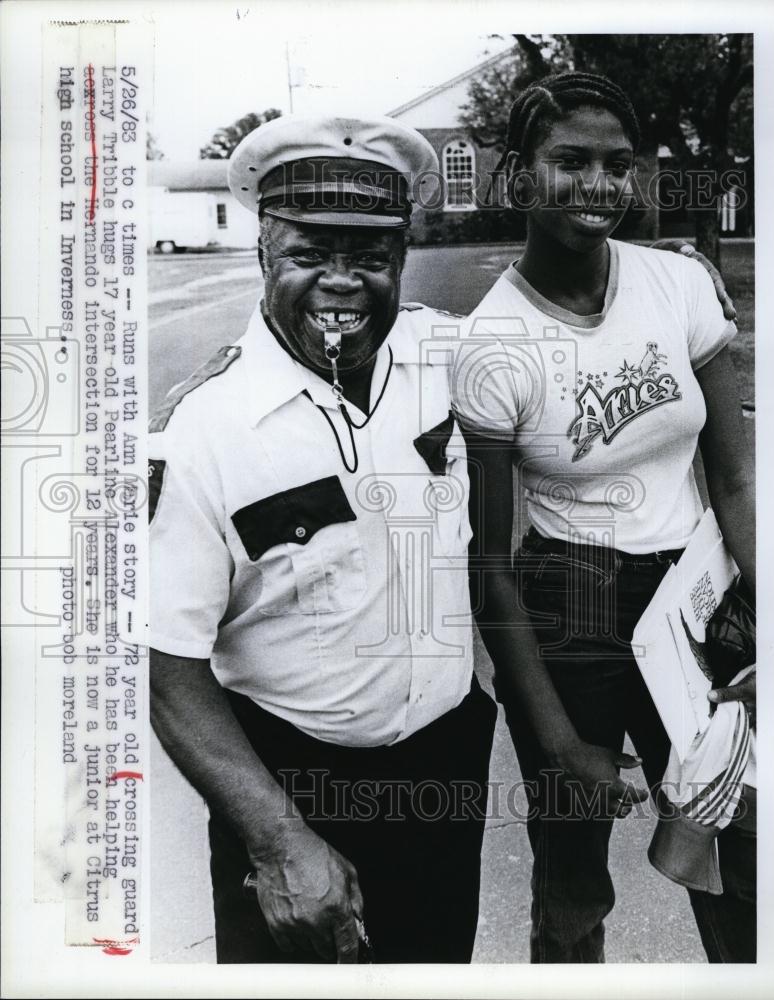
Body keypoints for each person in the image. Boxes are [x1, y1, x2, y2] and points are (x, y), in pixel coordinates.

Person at [147, 114, 497, 964]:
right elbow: (165, 663)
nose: (342, 283)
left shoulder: (441, 350)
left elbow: (570, 342)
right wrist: (276, 842)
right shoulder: (200, 432)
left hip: (445, 762)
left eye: (370, 256)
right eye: (310, 253)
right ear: (263, 254)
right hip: (291, 781)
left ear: (402, 259)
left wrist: (654, 272)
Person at [450, 72, 756, 963]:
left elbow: (733, 480)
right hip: (569, 604)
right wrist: (554, 739)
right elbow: (491, 562)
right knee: (574, 875)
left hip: (696, 594)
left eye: (617, 165)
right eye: (569, 162)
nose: (598, 186)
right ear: (517, 177)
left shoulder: (679, 286)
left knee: (735, 837)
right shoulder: (491, 345)